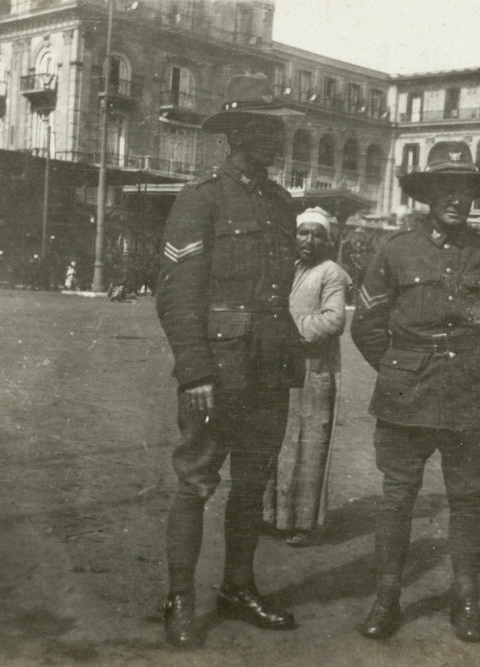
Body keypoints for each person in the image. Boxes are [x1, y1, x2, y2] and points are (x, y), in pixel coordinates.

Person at [155, 72, 304, 650]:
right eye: (261, 130)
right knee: (196, 483)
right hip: (217, 371)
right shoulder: (201, 199)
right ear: (234, 135)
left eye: (276, 131)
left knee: (251, 485)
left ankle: (238, 588)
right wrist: (194, 370)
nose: (274, 142)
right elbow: (176, 291)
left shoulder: (283, 204)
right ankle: (179, 598)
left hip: (270, 366)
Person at [351, 140, 480, 643]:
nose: (456, 199)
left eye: (465, 189)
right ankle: (386, 598)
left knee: (467, 499)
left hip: (470, 398)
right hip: (408, 397)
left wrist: (475, 370)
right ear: (427, 194)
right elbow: (367, 326)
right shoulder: (395, 250)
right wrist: (401, 370)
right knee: (397, 500)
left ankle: (465, 599)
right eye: (445, 187)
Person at [263, 207, 351, 546]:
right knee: (280, 441)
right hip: (281, 367)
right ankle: (272, 516)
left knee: (310, 445)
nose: (309, 240)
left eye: (317, 234)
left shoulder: (330, 273)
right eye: (304, 233)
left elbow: (333, 321)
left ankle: (302, 523)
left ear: (326, 241)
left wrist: (289, 332)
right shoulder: (287, 269)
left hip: (315, 369)